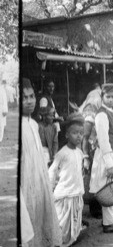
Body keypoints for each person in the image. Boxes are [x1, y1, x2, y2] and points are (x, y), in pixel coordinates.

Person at [20, 78, 62, 246]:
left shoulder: (34, 125)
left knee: (41, 218)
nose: (29, 101)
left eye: (31, 96)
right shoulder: (20, 126)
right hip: (25, 184)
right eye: (24, 97)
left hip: (39, 182)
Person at [89, 83, 113, 233]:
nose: (111, 100)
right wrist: (109, 164)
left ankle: (110, 219)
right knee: (109, 189)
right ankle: (108, 224)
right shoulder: (101, 115)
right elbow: (104, 141)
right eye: (108, 97)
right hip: (108, 156)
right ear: (102, 97)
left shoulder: (110, 111)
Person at [48, 113, 88, 246]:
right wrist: (50, 187)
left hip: (76, 192)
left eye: (81, 133)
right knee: (62, 222)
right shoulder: (62, 153)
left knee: (74, 222)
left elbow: (79, 172)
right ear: (66, 135)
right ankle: (59, 242)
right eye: (75, 133)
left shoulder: (79, 153)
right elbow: (52, 171)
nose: (79, 136)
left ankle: (70, 240)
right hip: (65, 193)